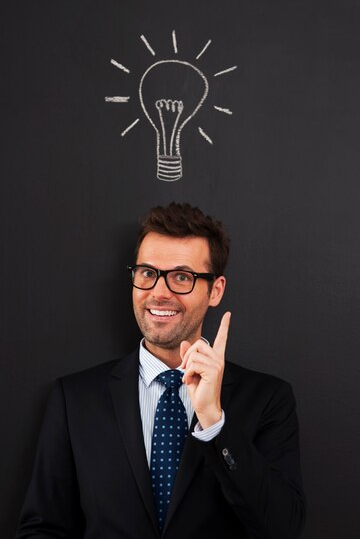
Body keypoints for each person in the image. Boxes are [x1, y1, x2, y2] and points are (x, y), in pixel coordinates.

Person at [16, 202, 306, 539]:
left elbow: (283, 527)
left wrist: (215, 423)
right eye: (147, 273)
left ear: (215, 290)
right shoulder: (74, 399)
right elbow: (42, 529)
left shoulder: (268, 399)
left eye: (181, 277)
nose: (159, 292)